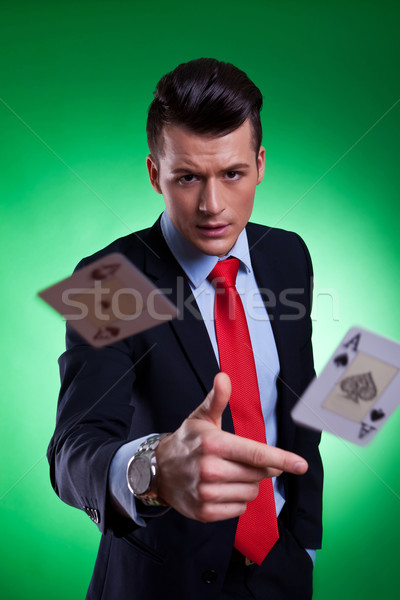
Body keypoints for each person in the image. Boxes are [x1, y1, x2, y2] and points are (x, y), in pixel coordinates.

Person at [47, 58, 323, 600]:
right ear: (155, 174)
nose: (212, 205)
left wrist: (304, 541)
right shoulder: (108, 281)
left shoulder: (288, 255)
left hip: (281, 569)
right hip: (161, 581)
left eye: (233, 174)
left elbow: (298, 407)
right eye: (188, 177)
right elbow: (72, 448)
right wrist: (149, 473)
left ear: (261, 164)